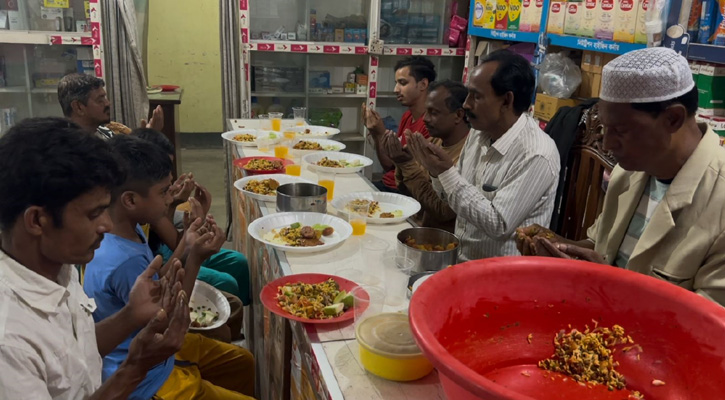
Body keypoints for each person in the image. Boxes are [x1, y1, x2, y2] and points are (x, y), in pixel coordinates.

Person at [517, 47, 725, 306]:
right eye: (605, 128)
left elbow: (705, 329)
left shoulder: (719, 202)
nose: (607, 144)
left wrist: (607, 282)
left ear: (673, 118)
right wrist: (556, 246)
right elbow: (601, 248)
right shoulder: (628, 173)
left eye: (621, 130)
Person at [0, 117, 190, 399]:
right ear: (38, 220)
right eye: (93, 214)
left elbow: (75, 350)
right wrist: (135, 367)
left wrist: (129, 315)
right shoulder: (10, 343)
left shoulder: (55, 264)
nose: (107, 226)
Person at [83, 135, 255, 400]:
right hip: (148, 377)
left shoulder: (128, 228)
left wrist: (186, 242)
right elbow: (168, 318)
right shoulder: (123, 262)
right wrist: (194, 258)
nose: (170, 199)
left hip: (154, 352)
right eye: (163, 192)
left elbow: (159, 280)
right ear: (130, 200)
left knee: (242, 362)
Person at [407, 50, 560, 261]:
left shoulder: (536, 153)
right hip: (462, 258)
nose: (466, 104)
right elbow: (455, 200)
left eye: (476, 96)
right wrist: (436, 173)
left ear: (507, 101)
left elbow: (498, 224)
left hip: (502, 276)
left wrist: (445, 172)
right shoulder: (479, 133)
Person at [131, 128, 252, 305]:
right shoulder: (134, 232)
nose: (169, 191)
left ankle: (242, 316)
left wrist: (173, 205)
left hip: (168, 253)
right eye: (163, 189)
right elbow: (164, 272)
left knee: (238, 262)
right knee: (226, 283)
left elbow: (174, 239)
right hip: (163, 264)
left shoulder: (149, 208)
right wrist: (193, 242)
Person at [381, 79, 469, 232]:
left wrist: (407, 165)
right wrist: (400, 161)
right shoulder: (431, 142)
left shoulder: (468, 154)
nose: (426, 119)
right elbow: (410, 194)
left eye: (434, 113)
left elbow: (443, 212)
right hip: (419, 227)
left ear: (458, 115)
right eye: (426, 112)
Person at [362, 56, 435, 193]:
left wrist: (382, 132)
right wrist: (378, 134)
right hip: (388, 183)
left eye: (403, 83)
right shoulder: (407, 116)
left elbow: (415, 177)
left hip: (403, 191)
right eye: (396, 83)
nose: (396, 89)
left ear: (423, 84)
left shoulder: (430, 124)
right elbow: (389, 165)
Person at [57, 73, 163, 139]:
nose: (108, 103)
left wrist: (150, 136)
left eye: (105, 97)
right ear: (78, 107)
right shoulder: (66, 150)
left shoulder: (106, 133)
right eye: (100, 100)